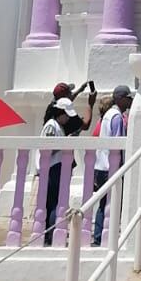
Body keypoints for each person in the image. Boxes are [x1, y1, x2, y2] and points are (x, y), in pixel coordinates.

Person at [91, 87, 131, 246]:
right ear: (120, 99)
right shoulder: (116, 117)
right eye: (127, 98)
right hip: (110, 167)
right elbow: (118, 143)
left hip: (101, 165)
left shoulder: (108, 115)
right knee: (112, 203)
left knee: (104, 204)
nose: (129, 101)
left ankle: (100, 235)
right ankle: (105, 236)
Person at [41, 98, 81, 244]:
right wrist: (65, 143)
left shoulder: (58, 126)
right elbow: (47, 149)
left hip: (59, 167)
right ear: (60, 112)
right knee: (53, 203)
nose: (67, 118)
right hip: (53, 168)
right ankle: (50, 235)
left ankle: (52, 233)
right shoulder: (51, 126)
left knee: (57, 202)